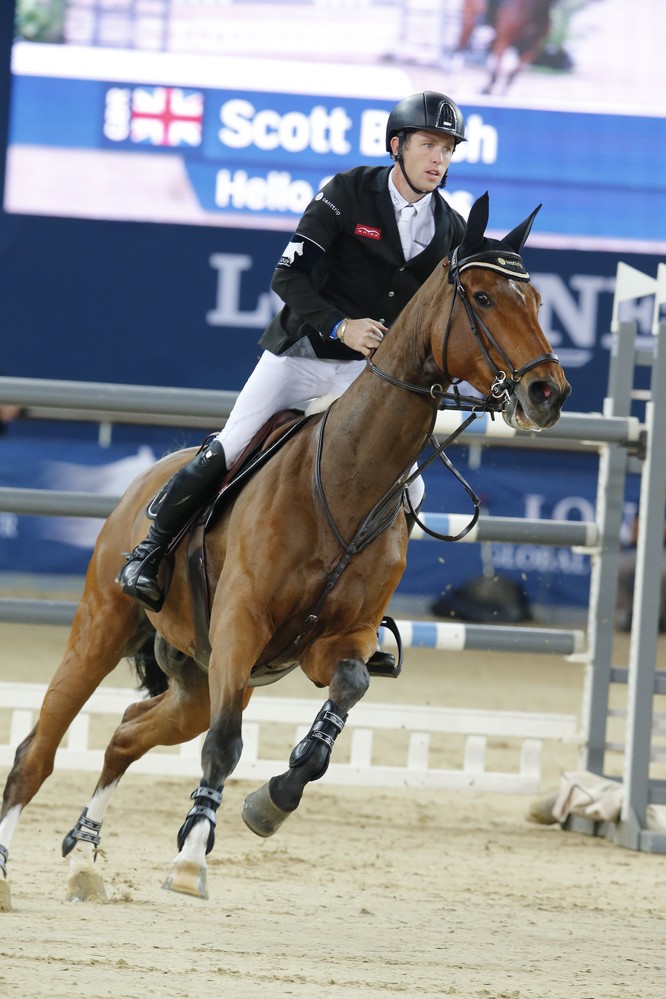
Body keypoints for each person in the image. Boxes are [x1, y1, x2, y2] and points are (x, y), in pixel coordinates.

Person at [118, 91, 468, 668]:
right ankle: (150, 552)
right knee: (231, 445)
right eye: (429, 144)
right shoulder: (345, 193)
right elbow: (288, 276)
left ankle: (368, 615)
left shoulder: (449, 229)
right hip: (301, 353)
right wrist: (340, 325)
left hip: (365, 376)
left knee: (411, 486)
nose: (439, 158)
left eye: (447, 148)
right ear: (396, 146)